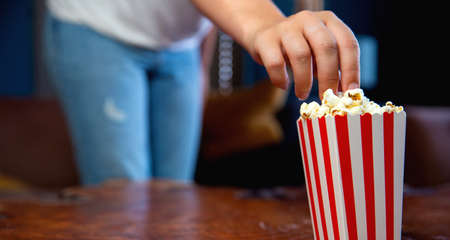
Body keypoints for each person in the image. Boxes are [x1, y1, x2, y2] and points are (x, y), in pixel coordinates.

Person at [44, 0, 360, 185]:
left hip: (181, 44)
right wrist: (264, 24)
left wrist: (200, 66)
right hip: (98, 25)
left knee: (174, 195)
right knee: (122, 199)